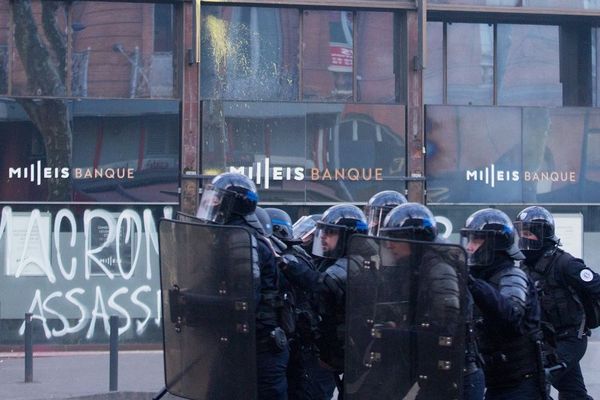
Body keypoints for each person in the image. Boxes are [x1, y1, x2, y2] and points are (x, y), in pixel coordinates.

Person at [196, 172, 289, 400]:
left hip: (260, 346)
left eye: (216, 198)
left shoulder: (241, 239)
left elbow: (244, 301)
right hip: (242, 342)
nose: (209, 202)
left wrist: (196, 304)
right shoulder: (230, 235)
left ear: (233, 203)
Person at [378, 202, 474, 399]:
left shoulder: (439, 269)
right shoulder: (415, 267)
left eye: (396, 238)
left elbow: (445, 328)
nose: (389, 244)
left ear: (415, 239)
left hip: (452, 375)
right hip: (433, 371)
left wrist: (398, 333)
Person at [516, 205, 599, 400]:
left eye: (528, 233)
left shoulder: (566, 264)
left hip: (570, 339)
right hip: (547, 341)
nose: (523, 238)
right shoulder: (526, 266)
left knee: (536, 380)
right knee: (574, 393)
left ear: (542, 234)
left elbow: (596, 285)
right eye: (521, 232)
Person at [460, 208, 543, 400]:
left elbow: (511, 315)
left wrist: (474, 284)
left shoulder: (512, 276)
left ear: (494, 244)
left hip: (518, 384)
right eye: (470, 240)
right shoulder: (480, 277)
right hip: (494, 381)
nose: (470, 247)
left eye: (477, 240)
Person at [265, 207, 336, 400]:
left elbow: (316, 285)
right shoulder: (296, 255)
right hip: (304, 344)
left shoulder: (291, 258)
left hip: (307, 343)